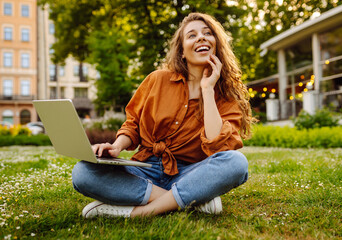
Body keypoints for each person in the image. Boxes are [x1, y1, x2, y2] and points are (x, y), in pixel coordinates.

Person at [72, 12, 255, 218]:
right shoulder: (157, 79)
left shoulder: (227, 95)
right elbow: (133, 124)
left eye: (207, 33)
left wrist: (207, 89)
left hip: (190, 173)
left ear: (216, 44)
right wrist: (116, 147)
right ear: (182, 51)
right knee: (83, 173)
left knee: (236, 163)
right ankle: (190, 199)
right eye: (192, 35)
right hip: (144, 170)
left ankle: (142, 212)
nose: (201, 38)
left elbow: (217, 145)